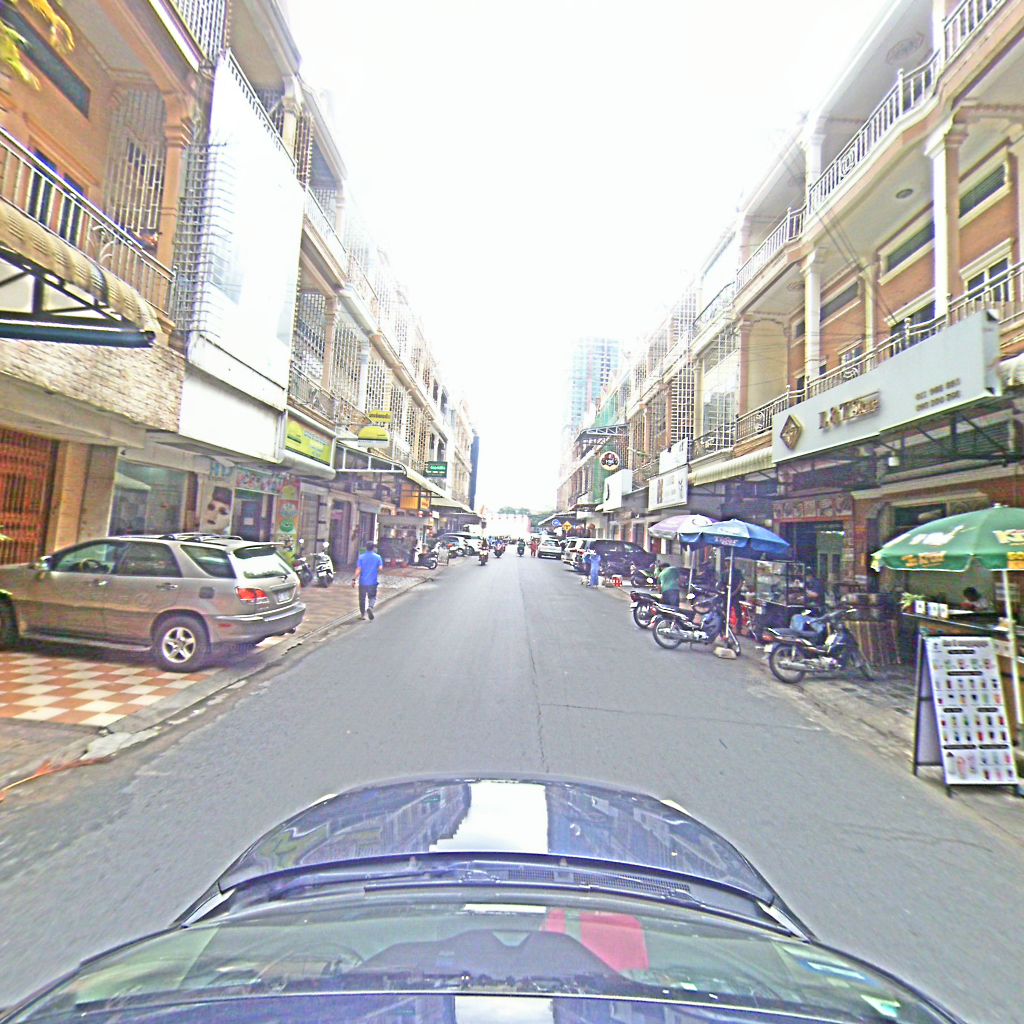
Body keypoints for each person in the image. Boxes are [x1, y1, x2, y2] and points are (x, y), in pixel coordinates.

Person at [352, 541, 384, 621]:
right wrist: (375, 570)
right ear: (373, 548)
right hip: (373, 581)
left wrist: (354, 579)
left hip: (363, 582)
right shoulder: (378, 557)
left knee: (362, 599)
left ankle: (362, 615)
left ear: (366, 548)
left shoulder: (361, 557)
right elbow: (380, 569)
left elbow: (358, 569)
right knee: (372, 597)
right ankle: (370, 607)